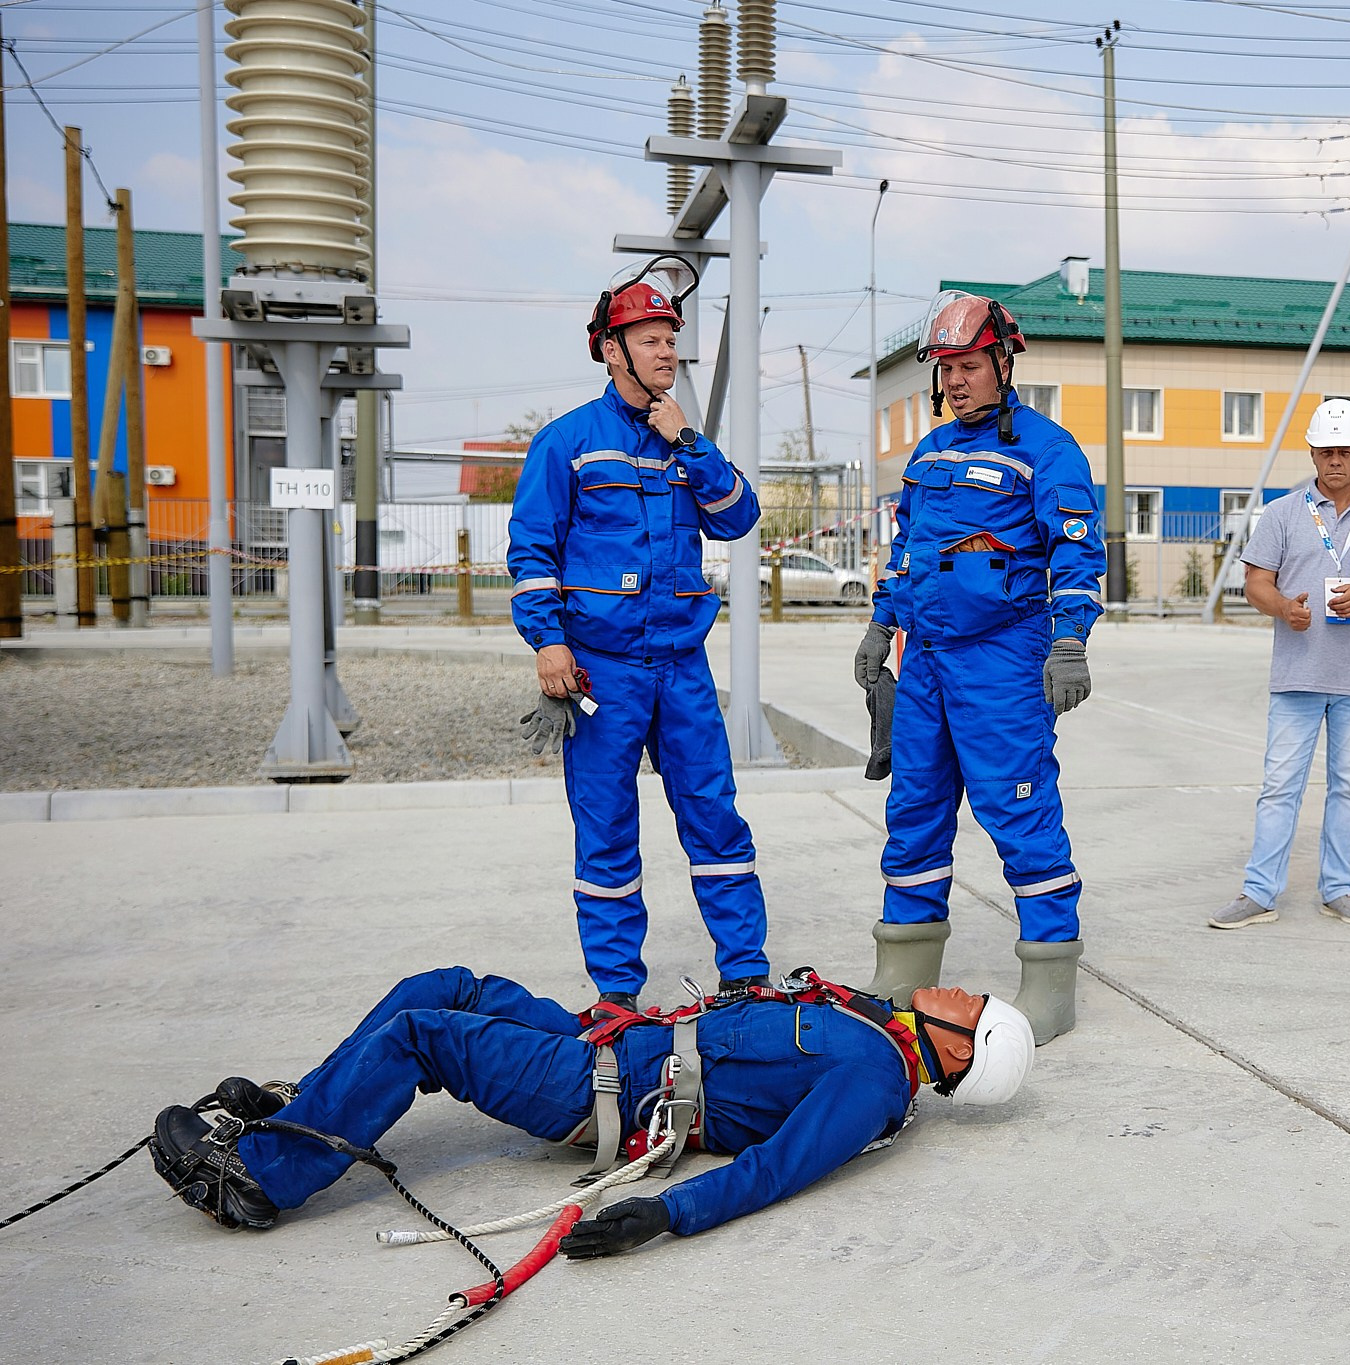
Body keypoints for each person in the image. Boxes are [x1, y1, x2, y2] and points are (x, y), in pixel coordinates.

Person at [147, 965, 1033, 1254]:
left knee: (422, 1035)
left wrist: (667, 1213)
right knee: (446, 987)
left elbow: (777, 1170)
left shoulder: (875, 1081)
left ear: (962, 1053)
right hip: (607, 1038)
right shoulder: (874, 1026)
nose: (960, 989)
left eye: (972, 1004)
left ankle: (259, 1178)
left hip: (601, 1086)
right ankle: (297, 1108)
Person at [508, 260, 770, 1011]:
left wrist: (690, 442)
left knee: (715, 817)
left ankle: (745, 973)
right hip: (603, 671)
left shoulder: (682, 441)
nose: (667, 354)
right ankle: (618, 992)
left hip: (681, 667)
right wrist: (548, 642)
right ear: (610, 349)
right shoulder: (567, 442)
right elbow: (532, 552)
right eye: (651, 340)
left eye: (671, 341)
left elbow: (739, 517)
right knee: (607, 830)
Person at [852, 291, 1106, 1045]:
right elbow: (907, 551)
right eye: (946, 369)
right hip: (926, 661)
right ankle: (904, 968)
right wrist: (880, 624)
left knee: (1019, 811)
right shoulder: (929, 453)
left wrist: (1069, 641)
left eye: (967, 366)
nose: (955, 381)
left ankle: (1050, 981)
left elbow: (1077, 554)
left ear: (1002, 363)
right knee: (913, 812)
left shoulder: (1048, 451)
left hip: (1003, 661)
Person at [1209, 399, 1350, 931]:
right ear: (1311, 452)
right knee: (1280, 787)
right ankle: (1259, 893)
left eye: (1345, 451)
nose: (1335, 461)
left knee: (1349, 788)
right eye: (1326, 451)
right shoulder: (1282, 513)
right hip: (1297, 676)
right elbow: (1255, 583)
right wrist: (1284, 607)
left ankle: (1339, 889)